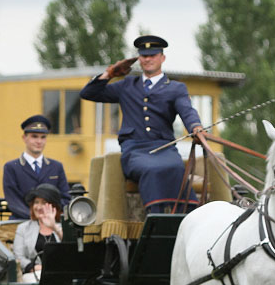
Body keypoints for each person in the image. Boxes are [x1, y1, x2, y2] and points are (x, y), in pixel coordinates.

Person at [80, 35, 206, 214]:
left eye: (153, 55)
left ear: (162, 58)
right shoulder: (126, 85)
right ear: (139, 59)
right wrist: (110, 73)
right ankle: (154, 217)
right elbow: (88, 93)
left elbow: (187, 110)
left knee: (177, 167)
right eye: (144, 56)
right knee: (149, 168)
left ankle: (183, 216)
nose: (148, 59)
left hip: (164, 147)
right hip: (135, 149)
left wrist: (195, 127)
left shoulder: (176, 88)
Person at [2, 115, 71, 219]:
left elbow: (65, 198)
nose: (39, 141)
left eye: (43, 137)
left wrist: (50, 216)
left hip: (51, 223)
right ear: (24, 138)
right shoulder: (12, 167)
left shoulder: (56, 167)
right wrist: (35, 217)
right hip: (21, 222)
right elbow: (14, 201)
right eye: (34, 136)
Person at [13, 184, 64, 283]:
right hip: (33, 274)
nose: (39, 207)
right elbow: (19, 257)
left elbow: (70, 249)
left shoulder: (62, 227)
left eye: (44, 202)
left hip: (59, 274)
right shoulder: (23, 228)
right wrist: (36, 268)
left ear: (53, 206)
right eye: (36, 202)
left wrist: (54, 227)